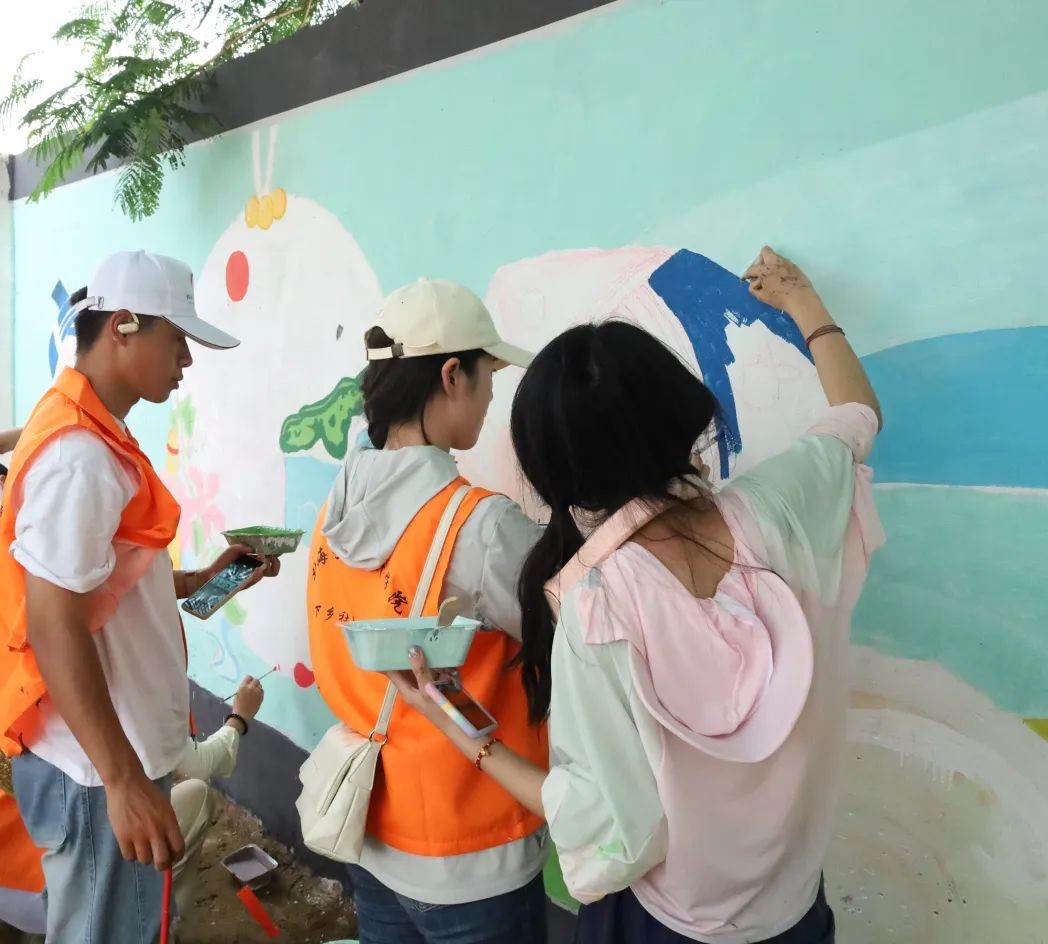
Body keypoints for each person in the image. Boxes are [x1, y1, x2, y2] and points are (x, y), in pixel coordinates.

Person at [387, 248, 884, 944]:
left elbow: (608, 825)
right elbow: (858, 415)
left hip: (669, 925)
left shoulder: (598, 607)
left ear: (553, 470)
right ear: (683, 410)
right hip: (795, 911)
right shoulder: (783, 506)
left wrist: (461, 732)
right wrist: (803, 302)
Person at [0, 251, 281, 944]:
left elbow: (112, 587)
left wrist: (207, 578)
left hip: (104, 758)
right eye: (176, 337)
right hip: (94, 770)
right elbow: (55, 623)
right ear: (123, 325)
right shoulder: (80, 458)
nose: (186, 358)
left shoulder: (94, 431)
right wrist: (122, 779)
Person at [307, 279, 550, 943]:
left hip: (373, 830)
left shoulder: (334, 510)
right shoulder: (480, 527)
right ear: (451, 375)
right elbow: (580, 640)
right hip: (476, 853)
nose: (492, 395)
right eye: (487, 375)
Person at [0, 675, 266, 941]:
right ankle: (162, 927)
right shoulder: (125, 706)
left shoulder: (23, 709)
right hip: (61, 899)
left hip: (17, 895)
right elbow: (203, 763)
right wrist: (239, 717)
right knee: (196, 797)